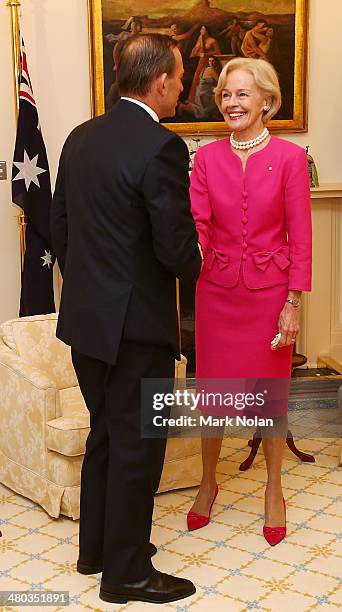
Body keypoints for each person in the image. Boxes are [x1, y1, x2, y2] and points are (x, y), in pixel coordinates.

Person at [51, 34, 201, 604]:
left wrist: (91, 285)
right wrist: (200, 260)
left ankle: (98, 550)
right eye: (181, 75)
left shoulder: (80, 137)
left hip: (86, 324)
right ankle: (128, 575)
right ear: (160, 81)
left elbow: (60, 223)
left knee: (107, 437)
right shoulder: (160, 146)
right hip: (137, 329)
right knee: (138, 446)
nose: (184, 84)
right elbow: (175, 249)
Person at [187, 58, 312, 545]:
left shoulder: (289, 158)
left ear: (266, 100)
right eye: (224, 95)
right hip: (216, 294)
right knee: (214, 397)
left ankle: (274, 487)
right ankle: (207, 483)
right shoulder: (206, 159)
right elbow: (198, 225)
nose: (231, 103)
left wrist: (293, 302)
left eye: (242, 94)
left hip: (270, 299)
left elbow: (300, 237)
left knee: (270, 400)